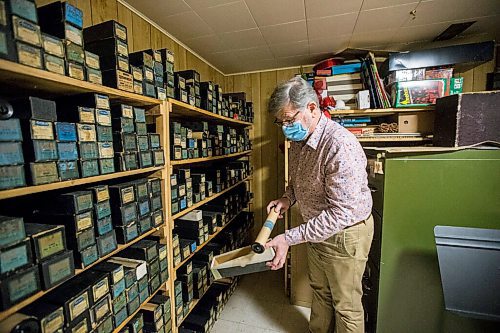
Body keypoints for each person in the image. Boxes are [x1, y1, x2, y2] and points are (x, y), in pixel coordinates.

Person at [264, 77, 373, 333]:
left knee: (346, 306)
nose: (285, 128)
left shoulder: (339, 144)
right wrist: (286, 199)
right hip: (316, 231)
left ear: (312, 108)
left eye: (289, 120)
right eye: (281, 122)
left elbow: (340, 213)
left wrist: (289, 238)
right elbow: (298, 182)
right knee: (320, 292)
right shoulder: (300, 142)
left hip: (345, 235)